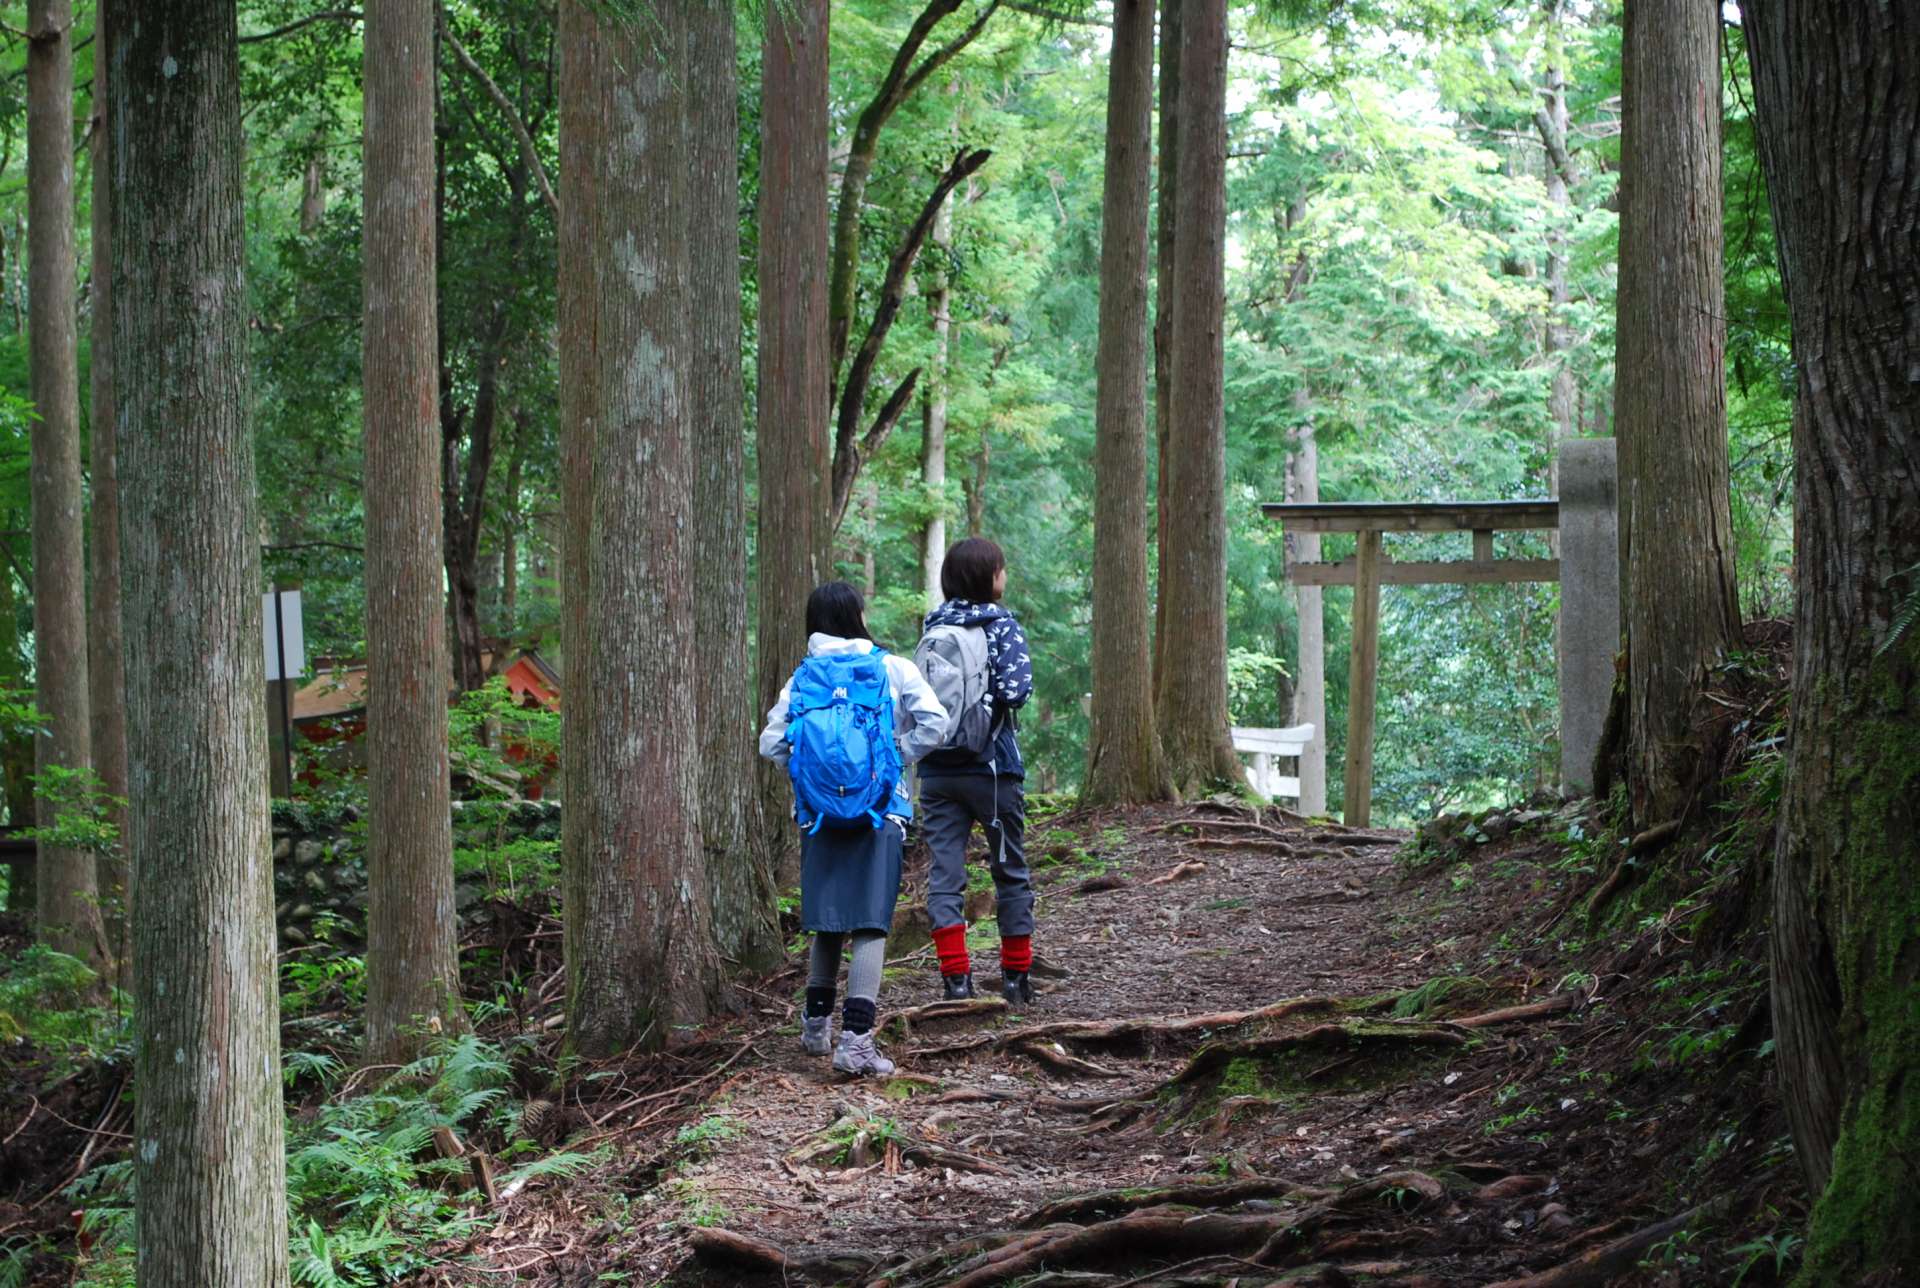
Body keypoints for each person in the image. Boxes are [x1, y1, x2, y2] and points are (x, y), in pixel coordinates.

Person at [759, 581, 947, 1076]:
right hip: (880, 812)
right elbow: (936, 723)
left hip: (818, 816)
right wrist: (891, 761)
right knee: (869, 922)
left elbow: (771, 744)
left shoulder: (804, 678)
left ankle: (815, 1028)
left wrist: (813, 780)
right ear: (857, 616)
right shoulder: (891, 668)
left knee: (827, 917)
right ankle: (857, 1041)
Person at [917, 538, 1037, 1006]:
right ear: (989, 576)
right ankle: (1015, 980)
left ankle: (956, 982)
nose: (1004, 576)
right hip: (992, 770)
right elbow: (1017, 690)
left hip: (937, 771)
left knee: (945, 876)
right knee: (1009, 870)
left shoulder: (934, 624)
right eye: (1001, 569)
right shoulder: (1001, 624)